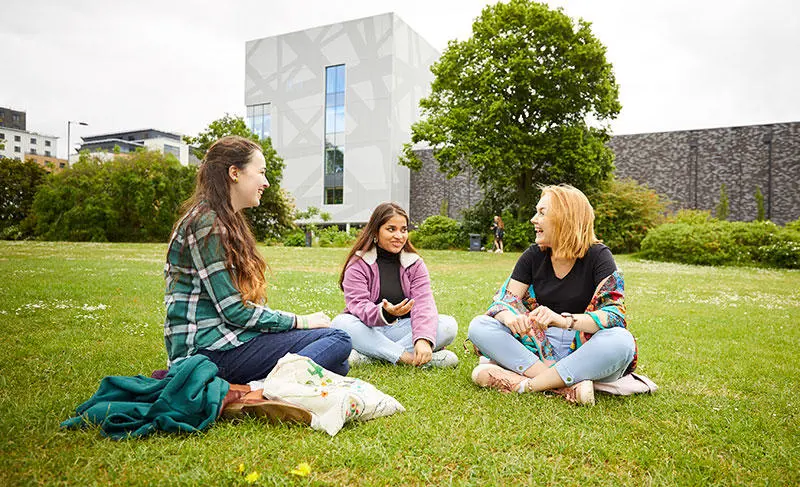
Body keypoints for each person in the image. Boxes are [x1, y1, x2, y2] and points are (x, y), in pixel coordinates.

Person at [164, 135, 352, 386]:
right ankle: (266, 389)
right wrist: (300, 322)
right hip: (205, 353)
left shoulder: (222, 219)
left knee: (338, 362)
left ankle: (268, 381)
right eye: (261, 172)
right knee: (339, 340)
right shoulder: (207, 223)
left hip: (227, 342)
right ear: (235, 172)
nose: (266, 182)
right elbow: (234, 310)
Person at [467, 184, 637, 405]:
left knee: (621, 341)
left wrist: (563, 320)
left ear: (565, 218)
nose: (533, 219)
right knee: (480, 325)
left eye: (542, 213)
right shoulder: (533, 256)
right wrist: (510, 318)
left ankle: (524, 384)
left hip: (586, 347)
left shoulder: (599, 256)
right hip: (539, 348)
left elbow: (614, 315)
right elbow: (503, 301)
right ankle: (563, 384)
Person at [332, 202, 459, 368]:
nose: (399, 236)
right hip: (369, 330)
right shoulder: (358, 263)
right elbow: (358, 305)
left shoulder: (415, 264)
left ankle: (371, 357)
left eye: (403, 229)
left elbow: (424, 304)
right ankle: (407, 358)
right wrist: (386, 313)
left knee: (448, 325)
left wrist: (422, 339)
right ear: (376, 231)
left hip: (403, 329)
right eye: (391, 229)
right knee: (340, 324)